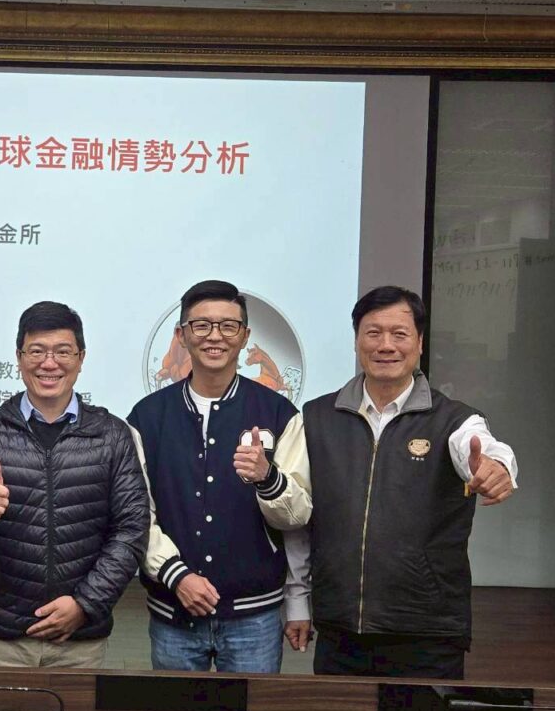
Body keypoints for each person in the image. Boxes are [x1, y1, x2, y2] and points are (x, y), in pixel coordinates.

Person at [302, 285, 517, 679]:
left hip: (428, 631)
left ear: (419, 343)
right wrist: (298, 603)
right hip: (340, 629)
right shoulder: (317, 417)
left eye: (399, 334)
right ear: (357, 341)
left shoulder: (454, 419)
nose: (386, 345)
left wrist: (497, 467)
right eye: (373, 332)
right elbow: (299, 518)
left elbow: (482, 448)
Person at [0, 301, 149, 669]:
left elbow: (132, 529)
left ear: (81, 358)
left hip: (81, 638)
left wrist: (85, 604)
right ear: (19, 358)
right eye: (36, 351)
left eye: (62, 352)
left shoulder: (112, 434)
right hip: (4, 638)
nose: (49, 363)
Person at [127, 280, 312, 673]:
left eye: (228, 326)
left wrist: (267, 478)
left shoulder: (279, 413)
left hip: (254, 616)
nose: (215, 336)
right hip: (174, 612)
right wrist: (176, 576)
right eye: (202, 325)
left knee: (252, 710)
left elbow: (298, 516)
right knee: (174, 710)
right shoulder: (147, 416)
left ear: (244, 336)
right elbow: (136, 514)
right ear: (182, 335)